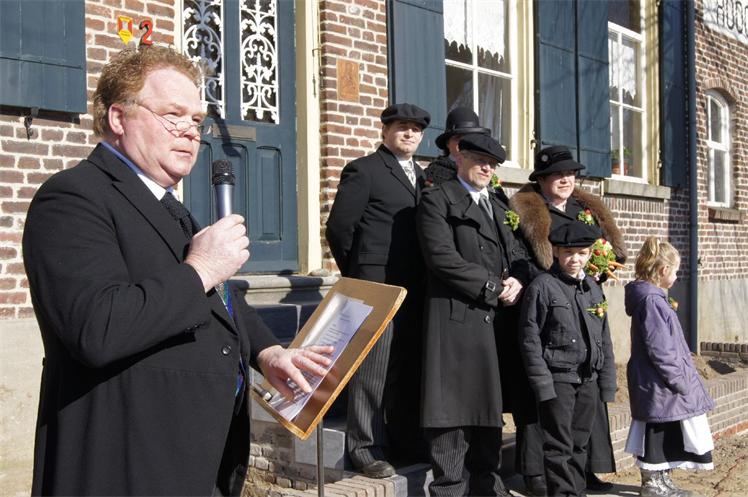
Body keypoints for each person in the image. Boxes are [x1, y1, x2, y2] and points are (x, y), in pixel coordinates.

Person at [22, 45, 332, 497]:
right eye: (173, 115)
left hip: (191, 456)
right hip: (123, 461)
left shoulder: (167, 207)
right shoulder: (73, 197)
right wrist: (202, 267)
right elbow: (97, 327)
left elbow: (217, 296)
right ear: (118, 118)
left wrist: (267, 353)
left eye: (197, 120)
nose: (190, 131)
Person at [417, 134, 532, 497]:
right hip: (456, 319)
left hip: (494, 323)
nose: (487, 168)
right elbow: (441, 258)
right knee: (451, 412)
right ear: (460, 157)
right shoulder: (437, 199)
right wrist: (493, 287)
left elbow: (519, 252)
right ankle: (449, 489)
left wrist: (518, 279)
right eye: (480, 160)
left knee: (487, 409)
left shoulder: (497, 204)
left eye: (492, 164)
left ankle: (487, 486)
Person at [509, 145, 627, 494]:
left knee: (584, 404)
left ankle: (584, 470)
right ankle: (538, 474)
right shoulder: (528, 211)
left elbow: (604, 249)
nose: (565, 180)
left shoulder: (584, 208)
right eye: (557, 175)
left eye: (570, 174)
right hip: (547, 304)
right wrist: (543, 283)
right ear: (542, 179)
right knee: (547, 400)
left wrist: (598, 269)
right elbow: (517, 256)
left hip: (582, 300)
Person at [325, 103, 431, 478]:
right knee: (373, 367)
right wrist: (359, 274)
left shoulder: (423, 177)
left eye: (416, 129)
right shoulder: (365, 169)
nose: (409, 133)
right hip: (376, 284)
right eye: (402, 126)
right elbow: (339, 228)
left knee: (407, 366)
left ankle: (405, 440)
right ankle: (365, 447)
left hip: (415, 286)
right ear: (385, 131)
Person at [518, 221, 617, 497]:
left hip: (588, 379)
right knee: (558, 446)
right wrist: (542, 383)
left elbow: (604, 337)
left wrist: (607, 382)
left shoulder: (593, 288)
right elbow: (530, 338)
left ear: (590, 254)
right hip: (558, 378)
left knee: (579, 443)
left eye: (582, 253)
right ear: (556, 252)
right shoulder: (543, 287)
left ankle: (577, 491)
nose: (575, 259)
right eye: (568, 253)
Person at [624, 237, 714, 497]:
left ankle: (661, 479)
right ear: (663, 271)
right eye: (675, 271)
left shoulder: (653, 299)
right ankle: (652, 483)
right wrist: (679, 379)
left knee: (666, 427)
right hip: (658, 382)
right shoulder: (652, 302)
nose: (676, 276)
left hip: (658, 382)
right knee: (656, 430)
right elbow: (661, 348)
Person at [423, 106, 490, 186]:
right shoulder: (435, 173)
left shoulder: (485, 171)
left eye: (470, 137)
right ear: (447, 143)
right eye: (457, 138)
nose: (464, 142)